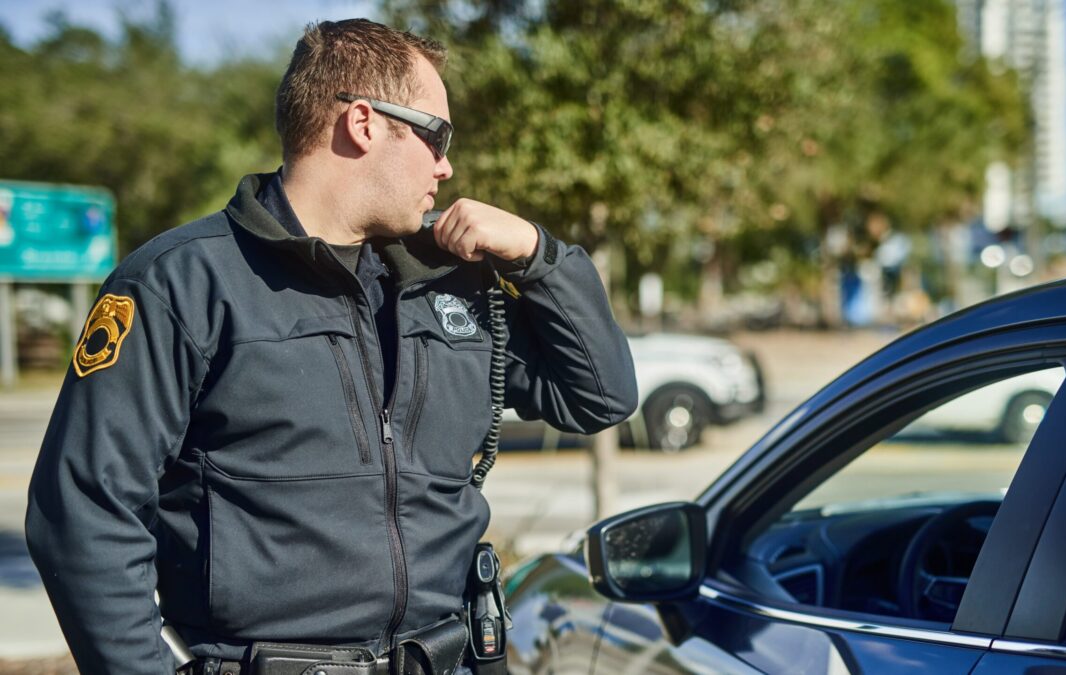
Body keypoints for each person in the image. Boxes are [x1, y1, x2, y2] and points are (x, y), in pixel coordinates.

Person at [26, 19, 637, 675]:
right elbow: (84, 512)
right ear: (365, 123)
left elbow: (600, 396)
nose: (447, 164)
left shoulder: (447, 281)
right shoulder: (184, 281)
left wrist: (539, 257)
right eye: (437, 134)